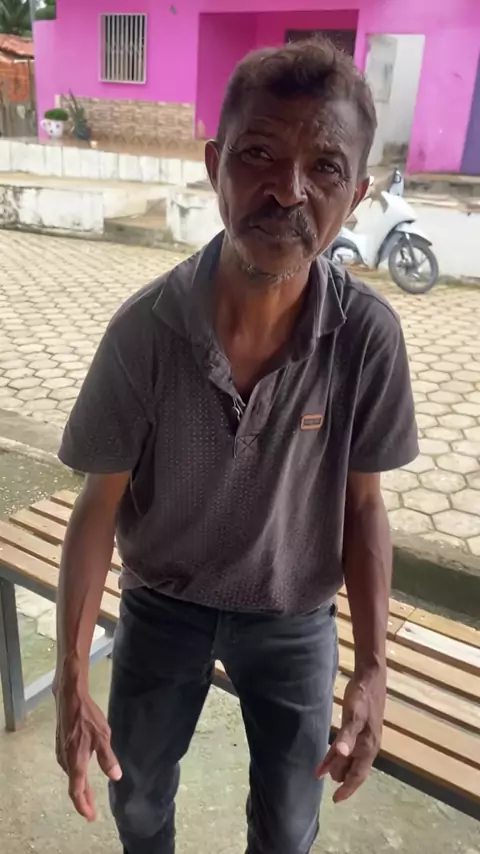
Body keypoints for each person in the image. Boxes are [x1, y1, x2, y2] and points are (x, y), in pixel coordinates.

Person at [53, 38, 418, 854]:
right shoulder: (145, 332)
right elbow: (97, 505)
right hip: (163, 605)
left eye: (325, 168)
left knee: (288, 827)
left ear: (357, 195)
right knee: (136, 800)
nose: (288, 190)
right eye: (259, 154)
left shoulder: (366, 339)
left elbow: (365, 507)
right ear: (215, 165)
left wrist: (372, 668)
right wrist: (73, 673)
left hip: (294, 616)